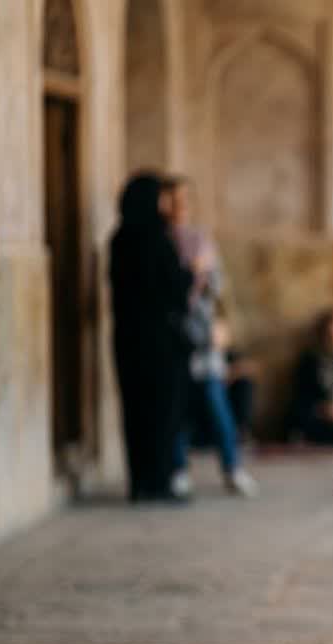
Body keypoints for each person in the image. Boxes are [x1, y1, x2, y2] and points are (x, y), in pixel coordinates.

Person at [160, 178, 258, 497]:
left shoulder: (199, 238)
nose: (179, 206)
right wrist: (191, 274)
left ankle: (232, 467)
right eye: (173, 199)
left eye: (184, 199)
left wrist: (221, 325)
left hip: (203, 335)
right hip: (174, 337)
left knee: (216, 402)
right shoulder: (161, 240)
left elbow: (217, 286)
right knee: (177, 405)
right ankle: (178, 469)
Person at [109, 172, 194, 503]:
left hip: (128, 339)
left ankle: (140, 482)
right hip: (160, 343)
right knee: (162, 412)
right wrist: (192, 273)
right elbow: (174, 289)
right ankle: (159, 482)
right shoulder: (157, 239)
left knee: (135, 411)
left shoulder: (119, 239)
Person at [285, 307, 333, 445]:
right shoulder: (310, 361)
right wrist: (325, 409)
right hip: (321, 417)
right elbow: (301, 398)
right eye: (330, 335)